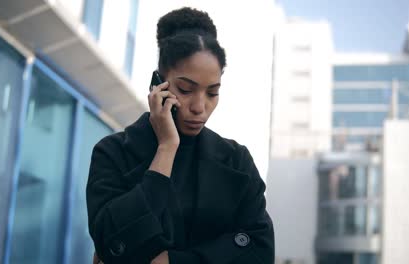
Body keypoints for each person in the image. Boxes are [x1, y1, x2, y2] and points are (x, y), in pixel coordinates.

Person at [86, 7, 275, 264]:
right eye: (186, 89)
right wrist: (167, 147)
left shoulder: (236, 161)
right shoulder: (114, 153)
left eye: (212, 92)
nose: (200, 106)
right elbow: (110, 244)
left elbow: (260, 251)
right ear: (158, 84)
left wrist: (174, 261)